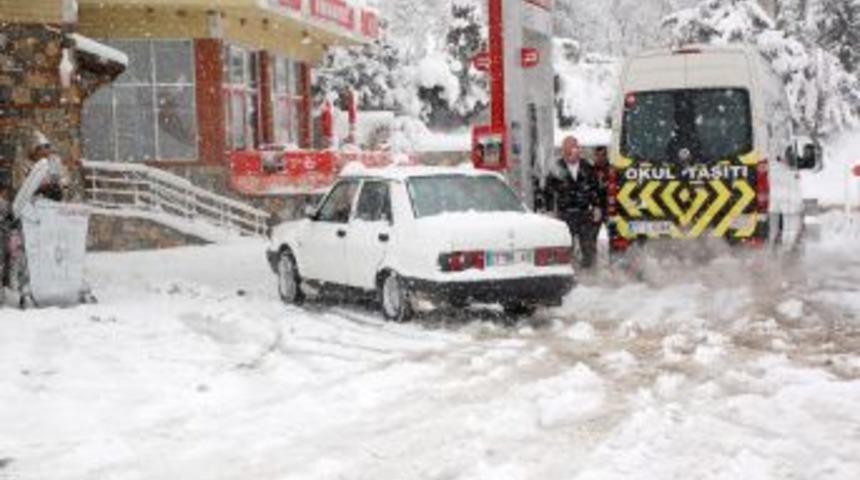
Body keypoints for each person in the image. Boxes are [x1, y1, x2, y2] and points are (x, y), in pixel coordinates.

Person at [7, 131, 69, 305]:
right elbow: (21, 189)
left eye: (47, 148)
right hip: (31, 216)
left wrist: (59, 188)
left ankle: (56, 286)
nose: (45, 151)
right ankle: (28, 288)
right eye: (41, 148)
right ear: (33, 150)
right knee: (30, 252)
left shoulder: (54, 164)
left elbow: (65, 182)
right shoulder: (24, 166)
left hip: (53, 214)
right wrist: (39, 190)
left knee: (54, 251)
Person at [544, 135, 603, 269]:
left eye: (573, 150)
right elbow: (547, 191)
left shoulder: (587, 167)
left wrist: (596, 206)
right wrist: (548, 210)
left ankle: (589, 271)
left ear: (578, 150)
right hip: (565, 213)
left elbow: (595, 188)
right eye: (567, 151)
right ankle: (567, 270)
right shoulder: (556, 168)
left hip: (584, 212)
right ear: (563, 151)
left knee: (588, 245)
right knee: (566, 246)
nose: (570, 154)